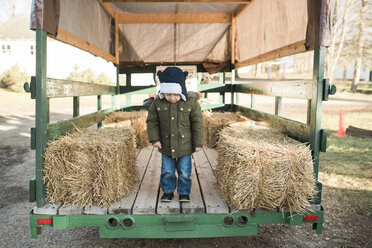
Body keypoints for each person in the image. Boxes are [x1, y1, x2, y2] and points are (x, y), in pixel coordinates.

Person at [146, 67, 204, 202]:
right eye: (168, 94)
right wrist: (154, 139)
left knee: (184, 172)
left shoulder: (191, 103)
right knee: (167, 171)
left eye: (175, 94)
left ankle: (184, 192)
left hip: (185, 145)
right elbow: (152, 122)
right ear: (163, 92)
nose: (172, 98)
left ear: (182, 91)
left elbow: (198, 123)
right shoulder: (157, 103)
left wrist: (198, 143)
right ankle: (167, 191)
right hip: (165, 145)